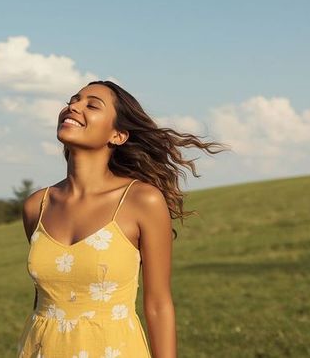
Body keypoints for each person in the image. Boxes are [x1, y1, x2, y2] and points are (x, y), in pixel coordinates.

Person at [16, 80, 229, 357]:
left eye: (91, 105)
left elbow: (158, 304)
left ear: (117, 135)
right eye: (73, 100)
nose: (73, 107)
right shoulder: (37, 206)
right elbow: (42, 298)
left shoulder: (142, 201)